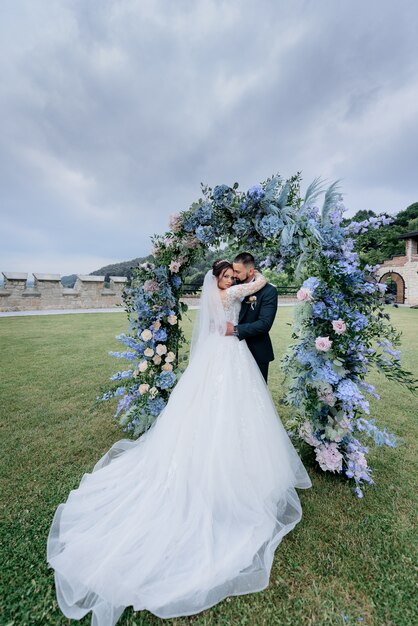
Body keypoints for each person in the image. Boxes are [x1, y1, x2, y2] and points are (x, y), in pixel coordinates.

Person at [46, 259, 312, 626]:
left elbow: (252, 299)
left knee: (230, 408)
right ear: (217, 278)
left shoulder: (220, 293)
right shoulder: (231, 292)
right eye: (226, 275)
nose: (231, 279)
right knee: (222, 410)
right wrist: (256, 277)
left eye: (233, 275)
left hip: (226, 353)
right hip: (228, 353)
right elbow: (254, 287)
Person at [226, 252, 278, 383]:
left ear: (250, 271)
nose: (234, 275)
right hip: (231, 350)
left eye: (237, 272)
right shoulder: (230, 286)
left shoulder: (269, 291)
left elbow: (265, 324)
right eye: (234, 271)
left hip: (257, 351)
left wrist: (235, 330)